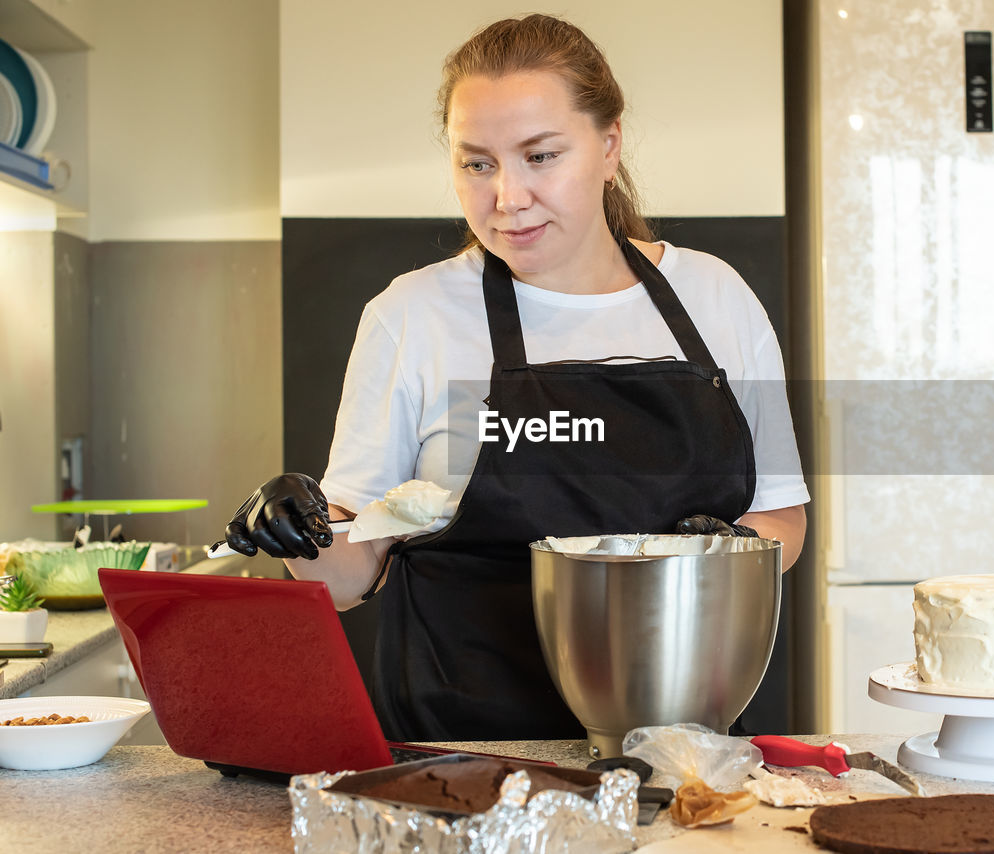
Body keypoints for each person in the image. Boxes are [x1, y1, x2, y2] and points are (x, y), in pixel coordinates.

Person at [223, 13, 809, 742]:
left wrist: (729, 549)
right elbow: (349, 575)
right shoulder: (412, 315)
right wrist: (300, 530)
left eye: (540, 156)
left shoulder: (715, 298)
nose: (507, 196)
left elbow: (784, 520)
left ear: (609, 145)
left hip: (679, 745)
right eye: (477, 163)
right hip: (460, 747)